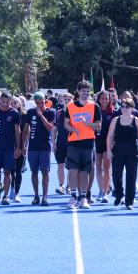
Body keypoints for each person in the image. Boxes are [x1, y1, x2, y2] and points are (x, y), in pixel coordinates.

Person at [64, 81, 102, 209]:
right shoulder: (70, 106)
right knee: (73, 170)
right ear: (78, 92)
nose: (85, 94)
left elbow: (98, 125)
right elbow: (66, 124)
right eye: (83, 91)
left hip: (88, 142)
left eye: (87, 91)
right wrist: (74, 130)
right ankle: (73, 197)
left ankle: (83, 198)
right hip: (74, 142)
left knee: (85, 171)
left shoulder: (94, 106)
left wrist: (87, 124)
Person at [106, 97, 138, 209]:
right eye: (122, 106)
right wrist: (108, 150)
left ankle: (129, 201)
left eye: (127, 107)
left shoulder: (136, 121)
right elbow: (109, 136)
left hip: (132, 151)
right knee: (116, 176)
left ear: (132, 108)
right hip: (118, 150)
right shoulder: (116, 120)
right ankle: (119, 195)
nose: (124, 109)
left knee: (131, 177)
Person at [24, 92, 56, 206]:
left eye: (41, 102)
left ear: (45, 100)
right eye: (37, 103)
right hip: (32, 147)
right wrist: (23, 144)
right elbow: (26, 129)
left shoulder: (51, 112)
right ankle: (36, 196)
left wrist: (41, 115)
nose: (40, 105)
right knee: (34, 172)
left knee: (45, 172)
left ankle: (45, 197)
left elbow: (50, 128)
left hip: (45, 147)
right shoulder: (30, 112)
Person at [94, 90, 114, 203]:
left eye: (106, 98)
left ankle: (106, 192)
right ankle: (101, 190)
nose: (104, 101)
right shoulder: (95, 111)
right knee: (98, 167)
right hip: (96, 142)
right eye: (102, 98)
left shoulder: (113, 112)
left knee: (107, 167)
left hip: (108, 143)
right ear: (99, 99)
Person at [52, 93, 73, 195]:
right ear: (61, 100)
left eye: (69, 99)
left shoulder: (75, 113)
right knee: (60, 165)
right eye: (65, 99)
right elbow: (54, 129)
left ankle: (69, 186)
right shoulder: (58, 113)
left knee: (70, 166)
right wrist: (53, 143)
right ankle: (61, 186)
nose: (67, 101)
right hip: (60, 143)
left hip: (72, 144)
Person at [9, 96, 28, 202]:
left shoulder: (25, 115)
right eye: (12, 102)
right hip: (8, 146)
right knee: (10, 169)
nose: (13, 104)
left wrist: (22, 146)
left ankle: (17, 193)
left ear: (20, 104)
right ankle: (11, 188)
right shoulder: (7, 113)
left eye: (16, 103)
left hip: (20, 145)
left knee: (18, 170)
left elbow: (26, 132)